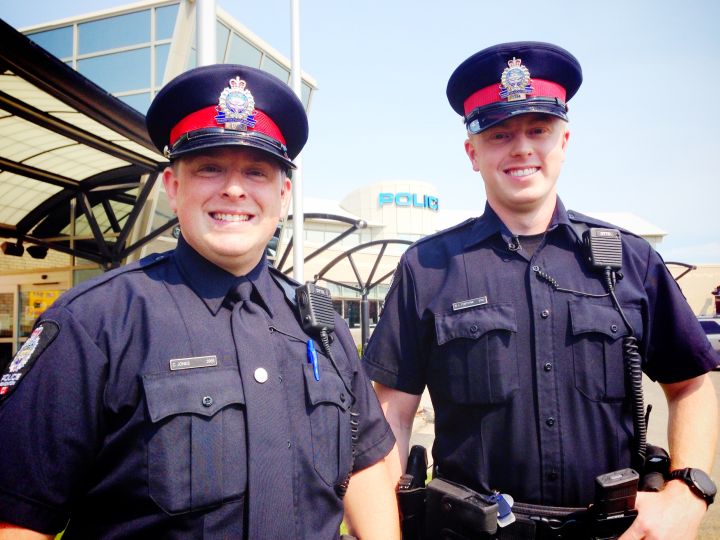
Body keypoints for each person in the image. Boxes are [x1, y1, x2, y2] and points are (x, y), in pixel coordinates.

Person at [0, 64, 399, 539]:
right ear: (173, 186)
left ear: (282, 192)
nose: (234, 188)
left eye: (256, 171)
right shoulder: (94, 323)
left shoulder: (320, 326)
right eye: (210, 167)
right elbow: (21, 519)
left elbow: (367, 464)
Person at [363, 41, 719, 539]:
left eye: (539, 130)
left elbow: (691, 384)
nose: (522, 148)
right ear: (473, 153)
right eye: (500, 133)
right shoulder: (427, 267)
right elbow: (391, 415)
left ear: (565, 141)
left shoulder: (631, 262)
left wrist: (688, 491)